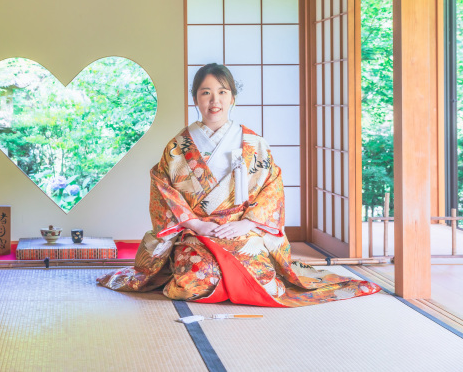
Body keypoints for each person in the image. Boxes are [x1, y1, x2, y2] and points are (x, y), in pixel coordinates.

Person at [97, 63, 379, 306]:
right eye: (206, 92)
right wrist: (196, 225)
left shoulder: (253, 143)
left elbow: (272, 186)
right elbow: (163, 188)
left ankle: (233, 278)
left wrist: (248, 224)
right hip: (196, 232)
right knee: (192, 283)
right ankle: (207, 275)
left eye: (222, 92)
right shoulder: (179, 146)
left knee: (267, 284)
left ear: (233, 98)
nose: (214, 100)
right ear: (195, 98)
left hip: (242, 229)